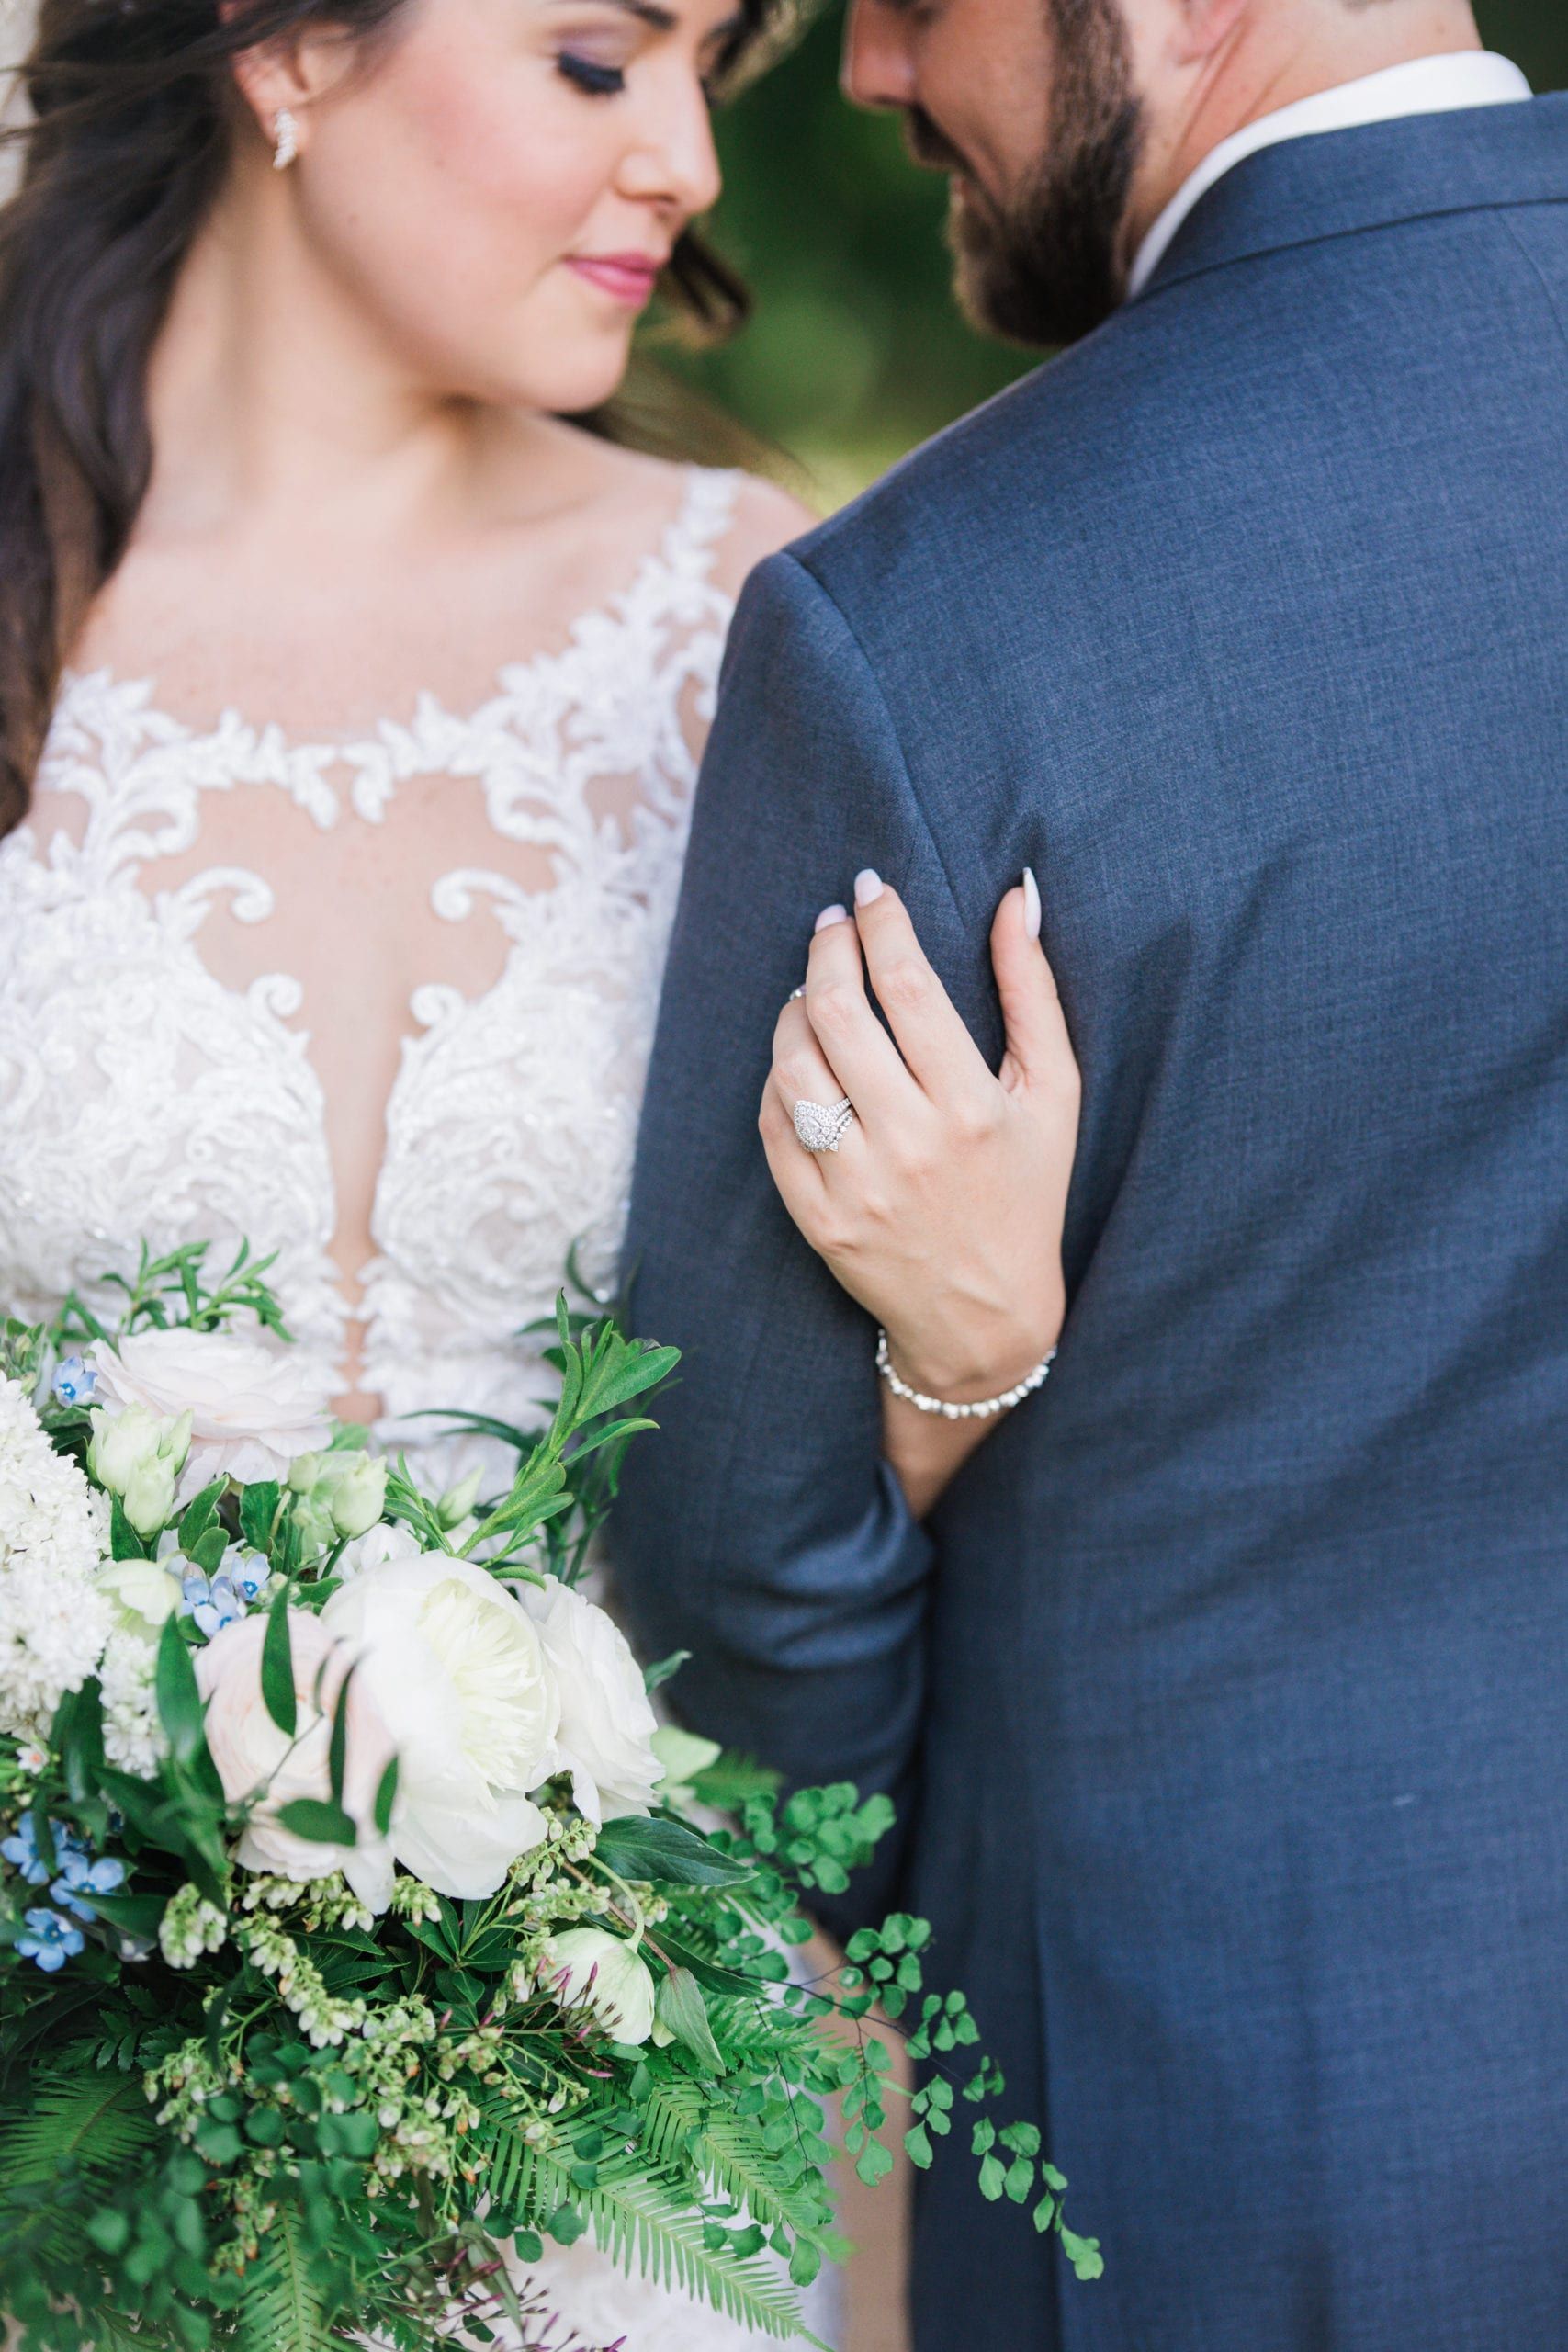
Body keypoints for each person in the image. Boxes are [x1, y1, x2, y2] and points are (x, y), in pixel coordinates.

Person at [0, 0, 1054, 2341]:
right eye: (600, 57)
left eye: (710, 70)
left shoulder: (744, 625)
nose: (681, 155)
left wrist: (968, 1335)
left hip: (624, 2126)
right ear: (283, 52)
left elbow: (799, 1496)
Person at [613, 0, 1568, 2345]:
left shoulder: (933, 629)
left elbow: (729, 1587)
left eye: (915, 0)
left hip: (1225, 2131)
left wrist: (974, 1378)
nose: (854, 73)